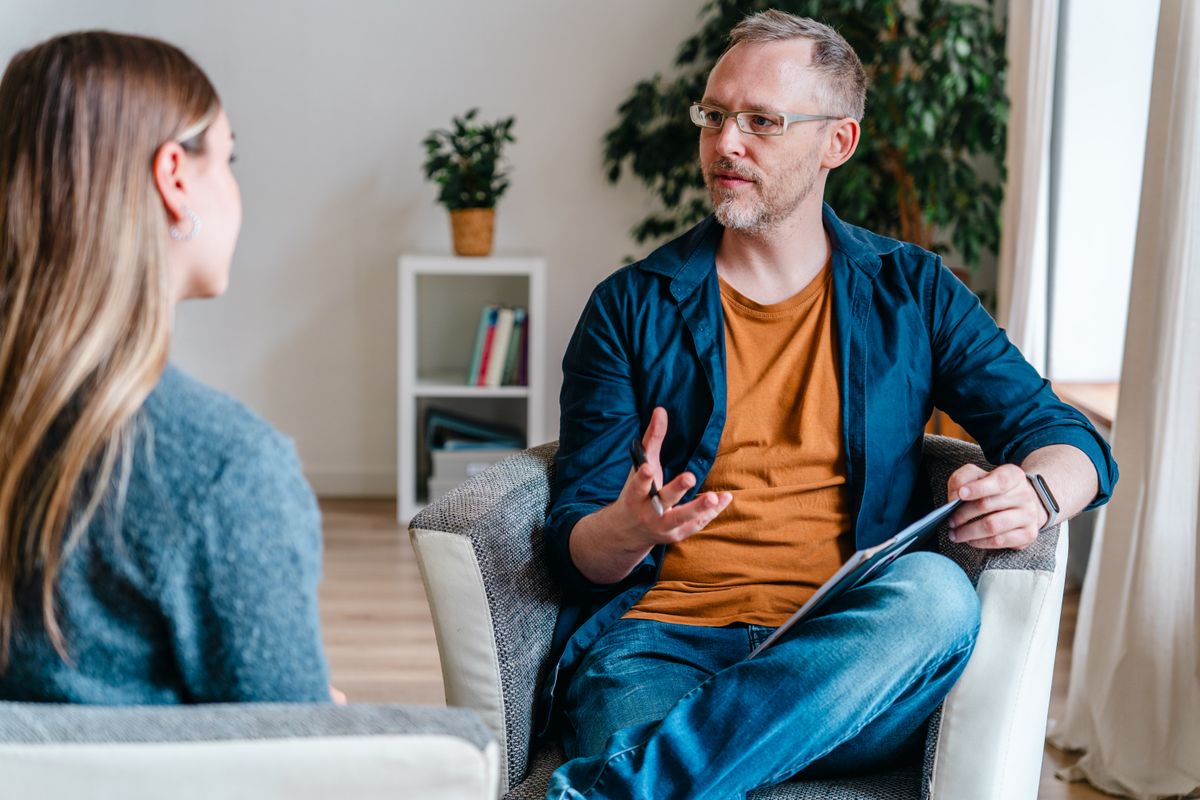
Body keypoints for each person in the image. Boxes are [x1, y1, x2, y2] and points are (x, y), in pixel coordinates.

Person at [542, 10, 1118, 799]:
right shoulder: (629, 307)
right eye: (714, 116)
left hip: (847, 655)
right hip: (662, 649)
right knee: (671, 736)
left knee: (937, 596)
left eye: (761, 122)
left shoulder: (911, 292)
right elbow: (576, 547)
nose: (725, 144)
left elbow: (1066, 437)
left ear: (836, 143)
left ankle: (638, 783)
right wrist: (628, 529)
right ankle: (713, 761)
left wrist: (1042, 490)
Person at [0, 31, 335, 704]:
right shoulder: (224, 470)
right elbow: (292, 759)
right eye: (229, 157)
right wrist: (323, 721)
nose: (236, 189)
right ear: (174, 178)